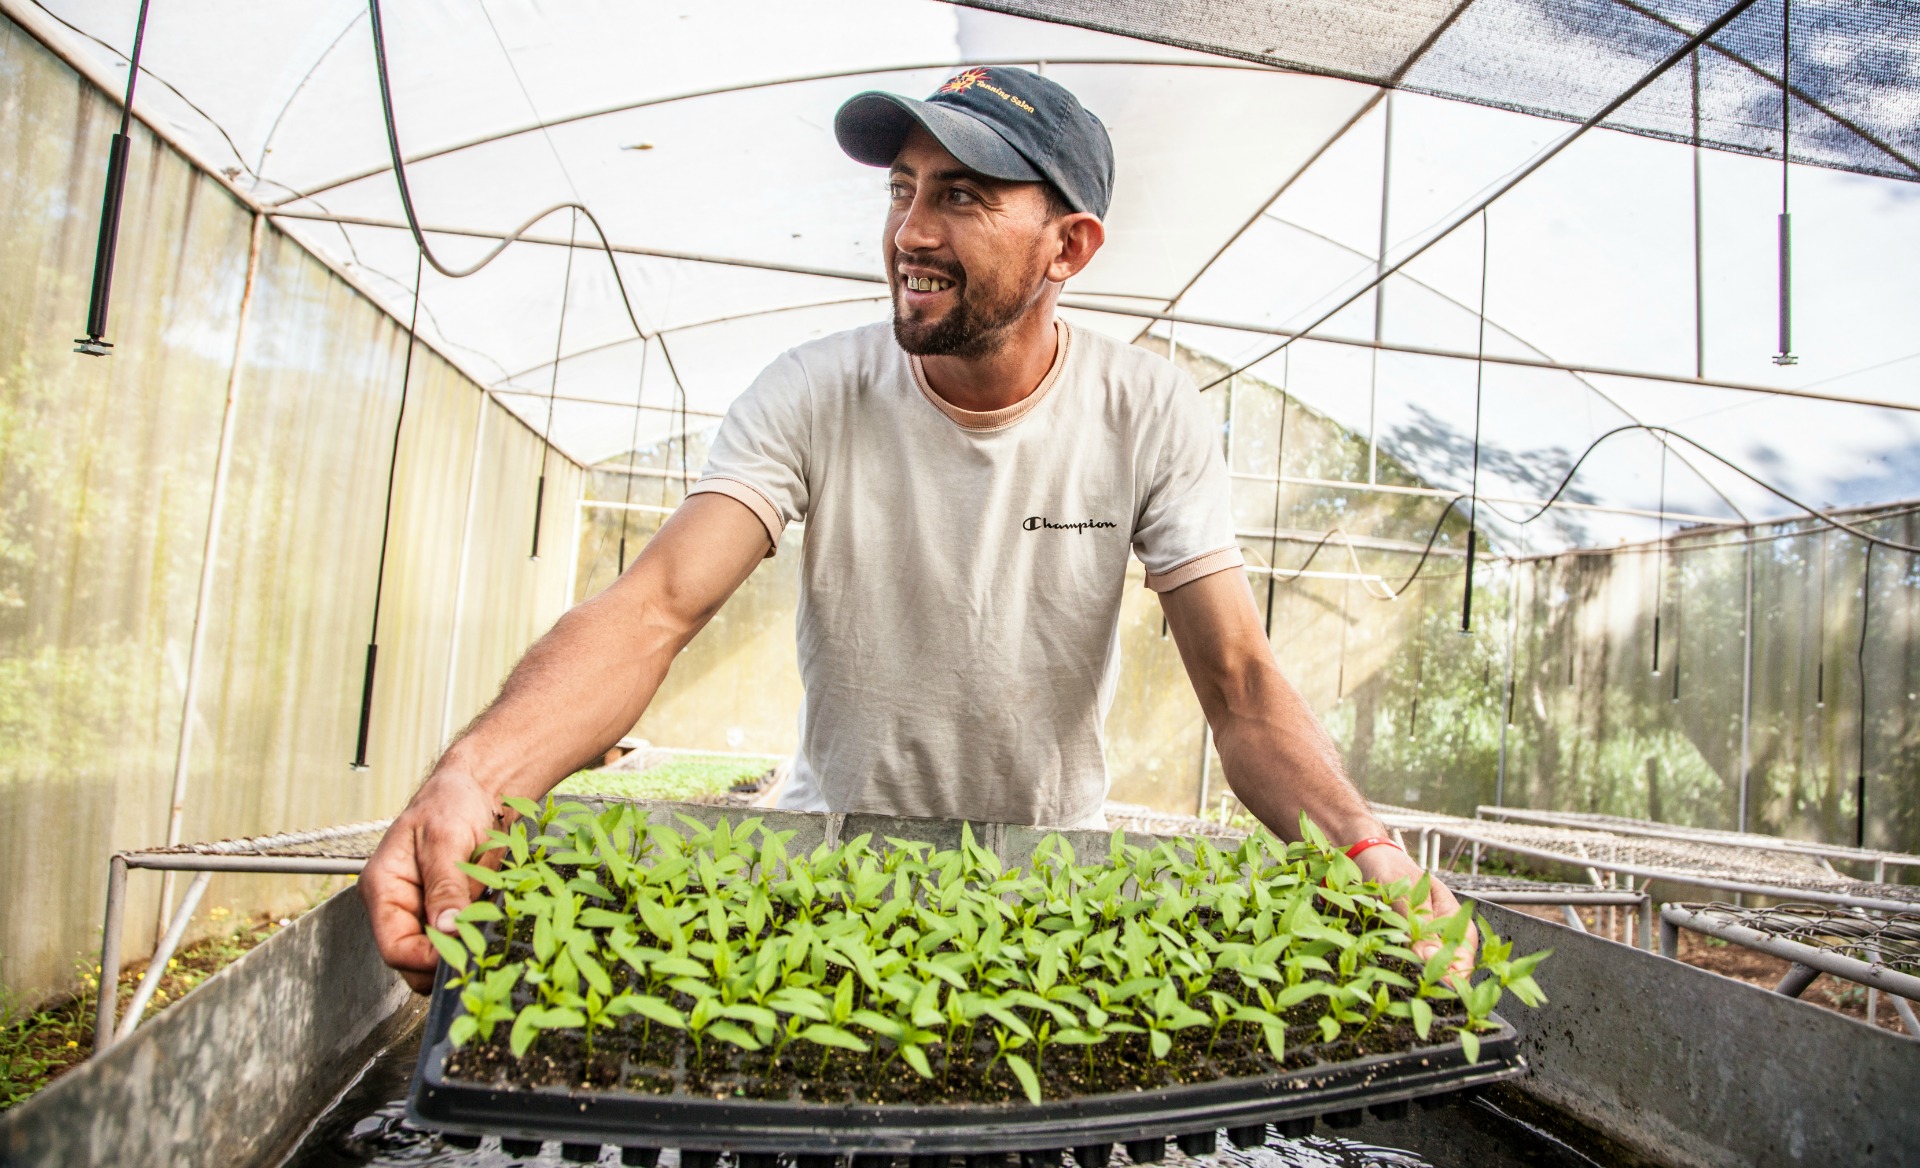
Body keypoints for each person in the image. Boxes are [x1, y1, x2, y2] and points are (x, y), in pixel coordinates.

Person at [362, 67, 1473, 992]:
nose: (910, 232)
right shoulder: (814, 390)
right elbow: (655, 606)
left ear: (1068, 247)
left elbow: (1238, 684)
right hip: (827, 869)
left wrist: (1365, 848)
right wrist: (477, 773)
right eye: (902, 190)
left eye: (962, 197)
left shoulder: (1146, 410)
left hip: (1045, 879)